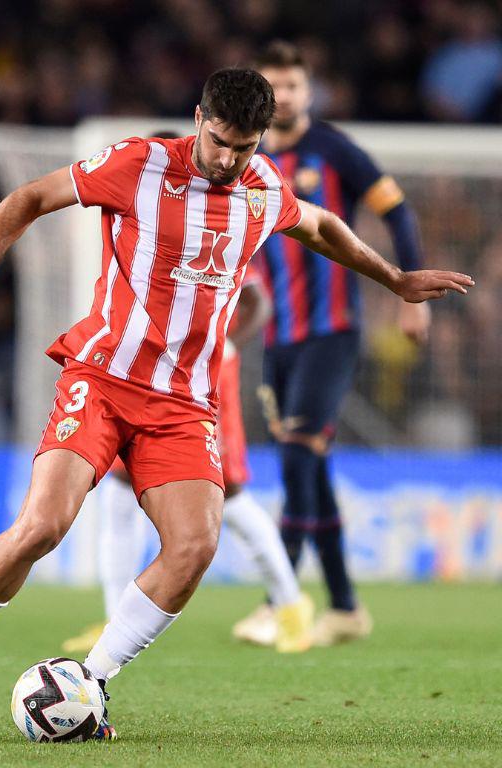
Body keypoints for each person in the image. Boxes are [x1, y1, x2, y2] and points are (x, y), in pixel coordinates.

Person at [0, 68, 471, 739]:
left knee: (195, 546)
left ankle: (91, 682)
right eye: (218, 141)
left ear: (260, 140)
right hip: (101, 379)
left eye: (243, 147)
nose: (227, 158)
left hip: (184, 404)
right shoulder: (140, 164)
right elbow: (32, 195)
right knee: (43, 525)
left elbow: (325, 226)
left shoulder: (264, 188)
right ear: (198, 119)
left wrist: (395, 279)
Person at [235, 41, 430, 647]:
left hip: (333, 331)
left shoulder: (333, 150)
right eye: (275, 87)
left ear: (307, 91)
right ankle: (345, 606)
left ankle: (280, 602)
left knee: (296, 454)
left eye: (293, 86)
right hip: (277, 336)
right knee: (308, 465)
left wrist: (408, 291)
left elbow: (395, 211)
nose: (285, 97)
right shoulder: (249, 158)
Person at [63, 269, 313, 656]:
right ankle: (115, 619)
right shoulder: (146, 218)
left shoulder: (220, 218)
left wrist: (228, 345)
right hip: (140, 371)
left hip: (200, 373)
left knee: (228, 492)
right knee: (118, 487)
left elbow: (257, 300)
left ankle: (290, 606)